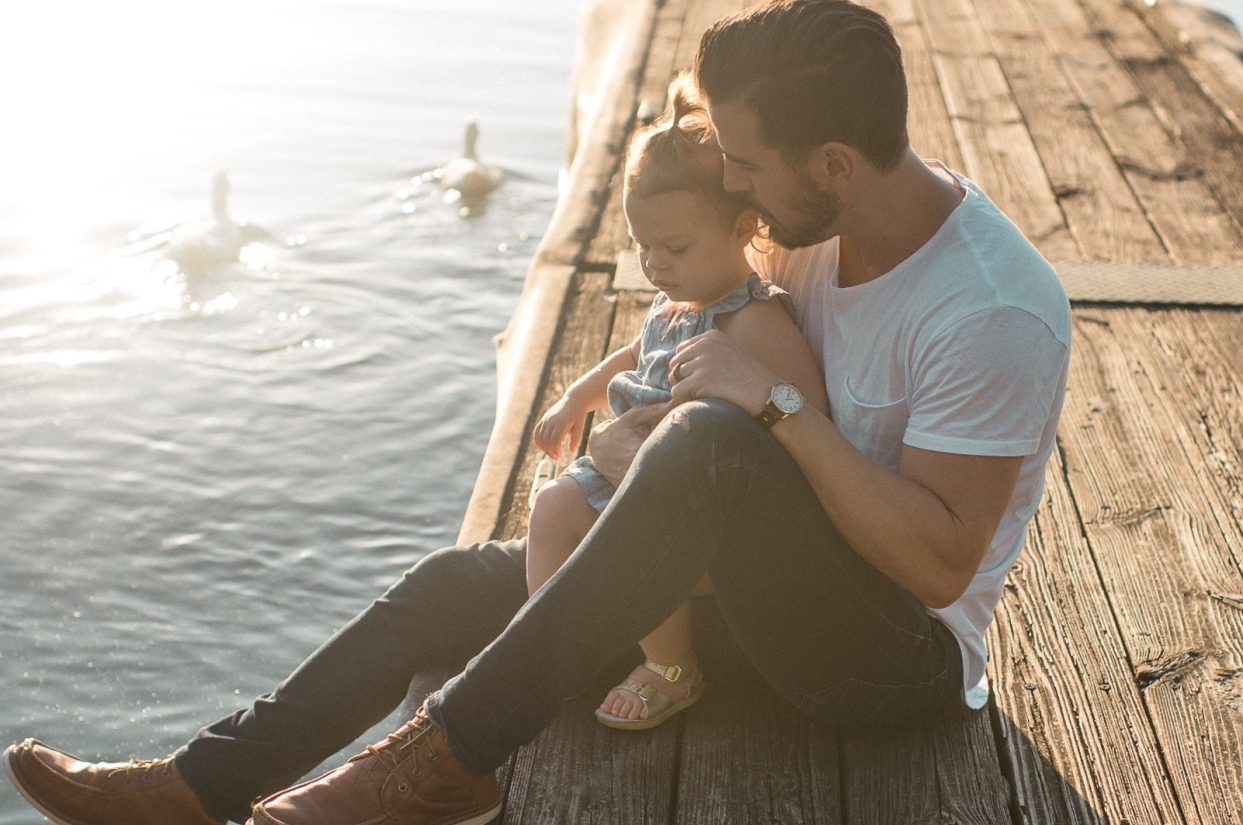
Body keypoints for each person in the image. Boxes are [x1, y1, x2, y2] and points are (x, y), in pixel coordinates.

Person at [2, 1, 1070, 823]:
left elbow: (937, 566)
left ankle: (438, 762)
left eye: (745, 163)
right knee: (449, 586)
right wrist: (611, 370)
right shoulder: (811, 219)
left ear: (831, 164)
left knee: (704, 445)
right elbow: (721, 310)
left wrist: (777, 408)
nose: (728, 180)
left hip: (884, 657)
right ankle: (202, 784)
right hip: (746, 587)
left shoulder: (992, 309)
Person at [526, 75, 828, 730]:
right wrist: (577, 398)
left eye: (675, 247)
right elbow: (635, 353)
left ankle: (672, 665)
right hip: (625, 463)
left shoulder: (754, 321)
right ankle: (553, 648)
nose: (655, 265)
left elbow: (808, 414)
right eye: (642, 248)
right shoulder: (677, 302)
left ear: (744, 225)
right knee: (550, 508)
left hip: (690, 499)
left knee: (637, 539)